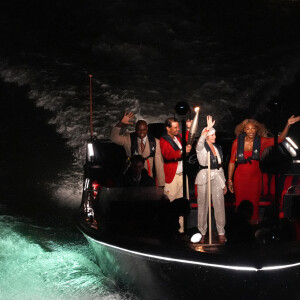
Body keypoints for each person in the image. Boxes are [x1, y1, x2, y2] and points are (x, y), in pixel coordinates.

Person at [228, 115, 300, 223]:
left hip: (255, 178)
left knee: (254, 205)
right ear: (244, 130)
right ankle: (241, 230)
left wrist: (288, 125)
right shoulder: (237, 142)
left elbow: (280, 139)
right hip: (240, 178)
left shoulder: (261, 141)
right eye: (248, 128)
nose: (251, 131)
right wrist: (229, 180)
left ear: (256, 129)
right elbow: (232, 162)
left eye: (253, 128)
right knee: (240, 204)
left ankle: (253, 231)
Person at [110, 111, 165, 187]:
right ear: (135, 129)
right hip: (131, 178)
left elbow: (159, 165)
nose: (142, 132)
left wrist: (161, 185)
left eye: (144, 130)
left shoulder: (155, 142)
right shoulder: (128, 139)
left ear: (147, 129)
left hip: (147, 180)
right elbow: (114, 138)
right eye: (139, 130)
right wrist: (121, 123)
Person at [195, 115, 227, 244]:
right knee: (203, 205)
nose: (214, 137)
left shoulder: (218, 147)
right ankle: (202, 232)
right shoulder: (201, 147)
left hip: (217, 175)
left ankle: (221, 231)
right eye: (212, 135)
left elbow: (220, 166)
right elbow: (198, 144)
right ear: (207, 136)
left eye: (214, 135)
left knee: (219, 204)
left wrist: (223, 183)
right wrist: (206, 131)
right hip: (204, 175)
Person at [160, 117, 192, 233]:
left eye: (178, 127)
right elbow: (168, 155)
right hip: (172, 178)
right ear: (167, 128)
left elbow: (187, 140)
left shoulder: (178, 137)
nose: (178, 129)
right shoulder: (163, 140)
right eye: (175, 127)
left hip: (182, 176)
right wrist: (183, 151)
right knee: (170, 206)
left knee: (183, 205)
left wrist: (188, 128)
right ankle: (170, 232)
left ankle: (181, 232)